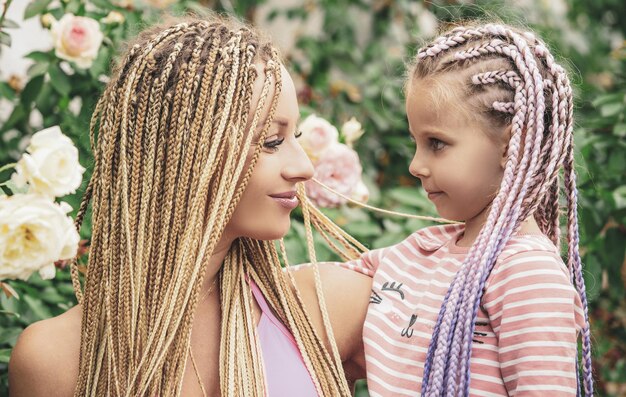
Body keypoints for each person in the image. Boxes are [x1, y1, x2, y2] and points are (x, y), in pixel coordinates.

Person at [8, 14, 371, 397]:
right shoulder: (52, 359)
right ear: (186, 153)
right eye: (271, 141)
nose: (304, 167)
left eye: (294, 136)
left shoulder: (328, 307)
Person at [334, 22, 593, 396]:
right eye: (416, 142)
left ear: (510, 147)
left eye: (436, 143)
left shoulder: (527, 272)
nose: (415, 165)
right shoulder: (419, 251)